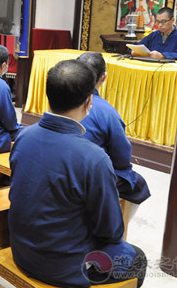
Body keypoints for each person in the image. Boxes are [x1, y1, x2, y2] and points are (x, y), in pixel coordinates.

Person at [8, 59, 146, 288]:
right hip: (63, 266)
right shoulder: (94, 158)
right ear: (89, 101)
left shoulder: (24, 136)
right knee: (137, 258)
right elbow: (110, 230)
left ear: (47, 94)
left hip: (21, 250)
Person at [78, 52, 151, 205]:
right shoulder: (105, 111)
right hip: (88, 176)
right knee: (137, 183)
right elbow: (122, 159)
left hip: (59, 168)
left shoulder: (60, 99)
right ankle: (117, 226)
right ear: (103, 77)